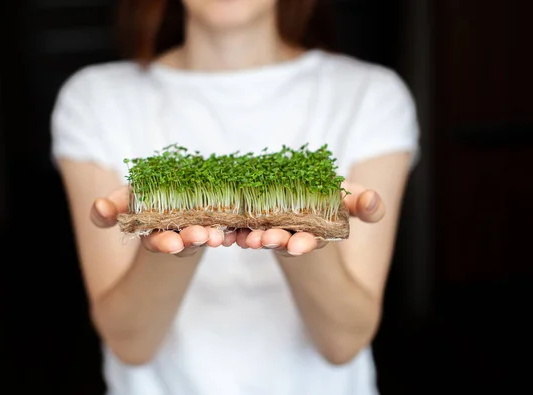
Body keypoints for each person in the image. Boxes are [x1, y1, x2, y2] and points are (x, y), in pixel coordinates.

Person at [50, 0, 420, 394]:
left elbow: (343, 343)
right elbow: (131, 344)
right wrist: (175, 247)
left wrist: (305, 234)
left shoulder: (372, 96)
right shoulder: (94, 98)